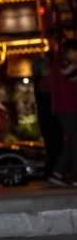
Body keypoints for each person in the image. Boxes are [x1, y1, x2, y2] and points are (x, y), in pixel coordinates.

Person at [48, 39, 77, 186]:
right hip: (67, 108)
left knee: (72, 142)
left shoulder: (60, 63)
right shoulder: (63, 63)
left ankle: (57, 173)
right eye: (75, 52)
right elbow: (70, 76)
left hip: (66, 108)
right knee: (75, 141)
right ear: (68, 51)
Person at [32, 54, 63, 179]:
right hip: (51, 118)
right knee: (55, 146)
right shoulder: (45, 82)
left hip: (46, 119)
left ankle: (50, 173)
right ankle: (51, 173)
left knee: (52, 146)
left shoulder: (39, 81)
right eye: (47, 67)